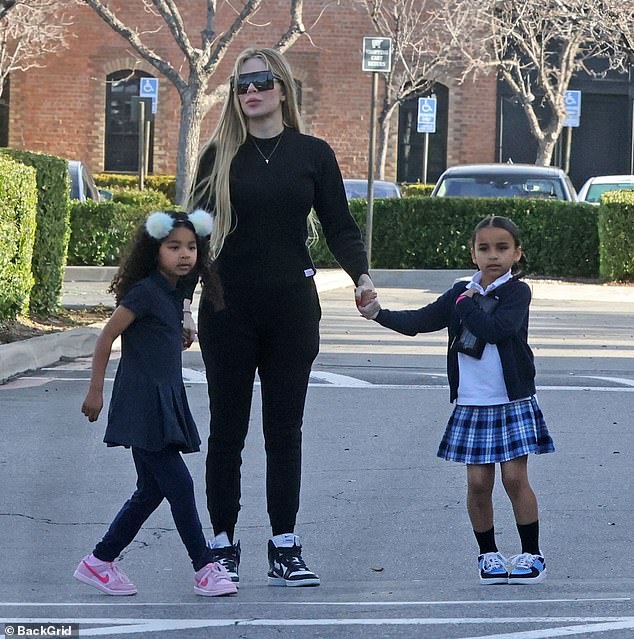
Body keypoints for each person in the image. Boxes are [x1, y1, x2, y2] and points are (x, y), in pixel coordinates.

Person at [183, 47, 374, 588]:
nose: (251, 92)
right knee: (227, 431)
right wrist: (179, 303)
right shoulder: (218, 155)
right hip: (227, 309)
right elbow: (194, 234)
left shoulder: (312, 153)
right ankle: (222, 544)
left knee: (284, 431)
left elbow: (339, 226)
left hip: (292, 309)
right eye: (241, 85)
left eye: (261, 82)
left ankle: (284, 543)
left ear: (283, 88)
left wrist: (361, 277)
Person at [358, 215, 554, 585]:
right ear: (473, 253)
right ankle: (489, 555)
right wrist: (378, 314)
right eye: (484, 248)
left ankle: (532, 553)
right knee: (478, 483)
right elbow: (421, 319)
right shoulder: (460, 291)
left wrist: (466, 304)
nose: (493, 256)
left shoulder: (516, 293)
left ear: (517, 253)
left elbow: (497, 331)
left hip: (512, 402)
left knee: (514, 478)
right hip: (472, 403)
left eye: (502, 248)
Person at [74, 210, 237, 598]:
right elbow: (105, 338)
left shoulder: (173, 288)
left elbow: (185, 295)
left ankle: (99, 562)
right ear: (155, 249)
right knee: (178, 483)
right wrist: (95, 391)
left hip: (163, 400)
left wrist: (183, 323)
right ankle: (204, 567)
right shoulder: (145, 291)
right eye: (174, 247)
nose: (184, 254)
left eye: (191, 247)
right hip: (142, 404)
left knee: (150, 490)